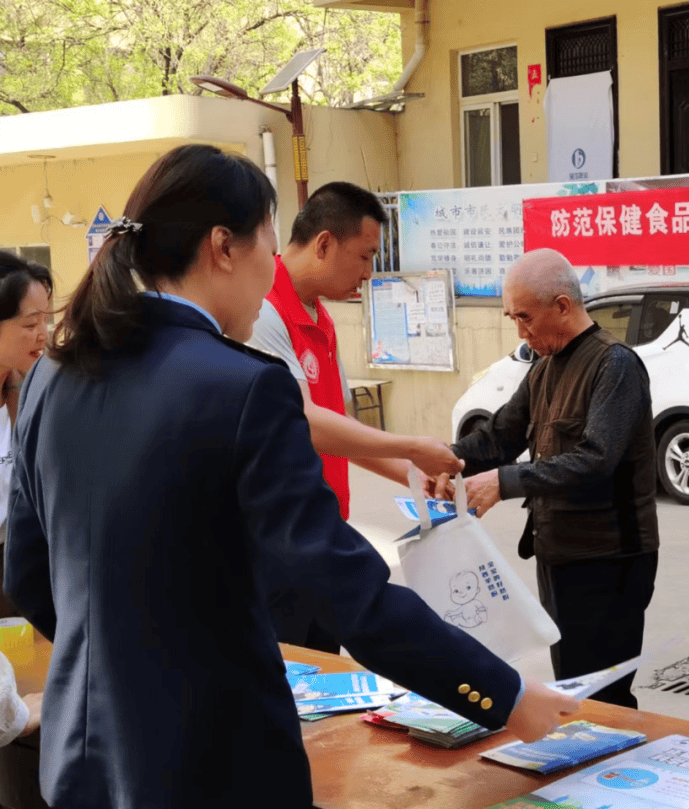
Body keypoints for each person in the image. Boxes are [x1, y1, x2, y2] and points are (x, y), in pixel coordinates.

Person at [2, 145, 577, 809]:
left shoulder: (51, 375)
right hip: (216, 767)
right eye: (267, 251)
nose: (271, 273)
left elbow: (28, 576)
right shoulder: (243, 387)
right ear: (223, 247)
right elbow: (351, 595)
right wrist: (502, 693)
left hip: (80, 764)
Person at [247, 182, 462, 651]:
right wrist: (410, 447)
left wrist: (414, 473)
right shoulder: (262, 311)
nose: (369, 273)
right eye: (365, 256)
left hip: (319, 536)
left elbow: (344, 428)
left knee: (326, 681)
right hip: (277, 548)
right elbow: (304, 421)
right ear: (324, 243)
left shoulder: (320, 319)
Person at [452, 248, 660, 709]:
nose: (521, 332)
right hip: (560, 552)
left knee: (601, 695)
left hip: (610, 558)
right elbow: (499, 437)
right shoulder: (545, 367)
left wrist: (502, 483)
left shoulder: (615, 366)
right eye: (514, 319)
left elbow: (595, 460)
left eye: (525, 318)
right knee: (572, 684)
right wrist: (440, 461)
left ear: (562, 306)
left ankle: (615, 776)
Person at [0, 251, 52, 618]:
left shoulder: (34, 394)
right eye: (31, 323)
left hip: (17, 574)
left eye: (46, 320)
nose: (43, 334)